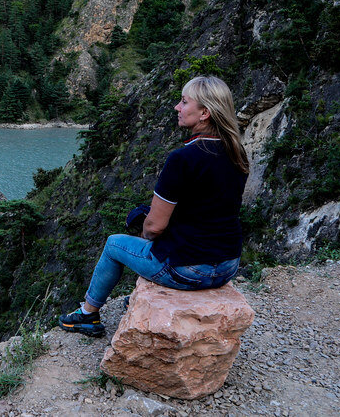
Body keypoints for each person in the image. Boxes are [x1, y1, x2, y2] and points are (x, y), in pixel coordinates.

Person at [59, 75, 250, 337]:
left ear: (204, 112)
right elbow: (207, 208)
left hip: (189, 269)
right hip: (228, 265)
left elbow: (154, 227)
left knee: (115, 244)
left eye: (184, 102)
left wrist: (147, 232)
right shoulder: (237, 152)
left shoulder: (182, 158)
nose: (177, 107)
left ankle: (87, 314)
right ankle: (142, 298)